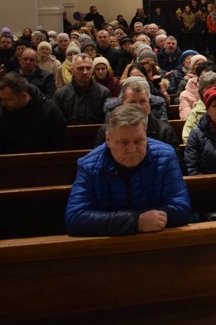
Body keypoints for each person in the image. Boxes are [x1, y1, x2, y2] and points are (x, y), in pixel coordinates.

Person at [65, 105, 191, 236]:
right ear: (108, 139)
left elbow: (181, 209)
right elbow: (75, 218)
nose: (132, 149)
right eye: (123, 143)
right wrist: (136, 221)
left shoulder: (165, 156)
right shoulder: (88, 166)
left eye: (139, 141)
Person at [0, 72, 68, 154]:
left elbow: (61, 146)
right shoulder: (0, 115)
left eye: (8, 100)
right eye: (1, 99)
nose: (3, 104)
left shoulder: (50, 111)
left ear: (24, 96)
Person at [94, 79, 178, 151]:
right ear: (122, 103)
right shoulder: (106, 131)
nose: (138, 107)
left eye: (142, 101)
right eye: (132, 102)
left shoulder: (165, 131)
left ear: (149, 103)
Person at [54, 53, 111, 125]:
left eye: (88, 68)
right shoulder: (61, 95)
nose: (85, 72)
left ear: (92, 70)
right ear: (72, 70)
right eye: (80, 68)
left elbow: (107, 123)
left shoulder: (104, 93)